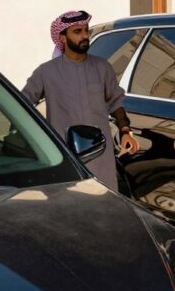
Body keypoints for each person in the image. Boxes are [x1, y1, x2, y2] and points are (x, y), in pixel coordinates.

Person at [22, 10, 138, 191]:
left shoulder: (102, 67)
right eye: (77, 32)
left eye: (86, 30)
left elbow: (115, 101)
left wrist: (125, 130)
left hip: (100, 153)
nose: (84, 36)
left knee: (104, 204)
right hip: (65, 155)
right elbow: (24, 104)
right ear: (62, 37)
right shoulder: (46, 72)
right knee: (71, 207)